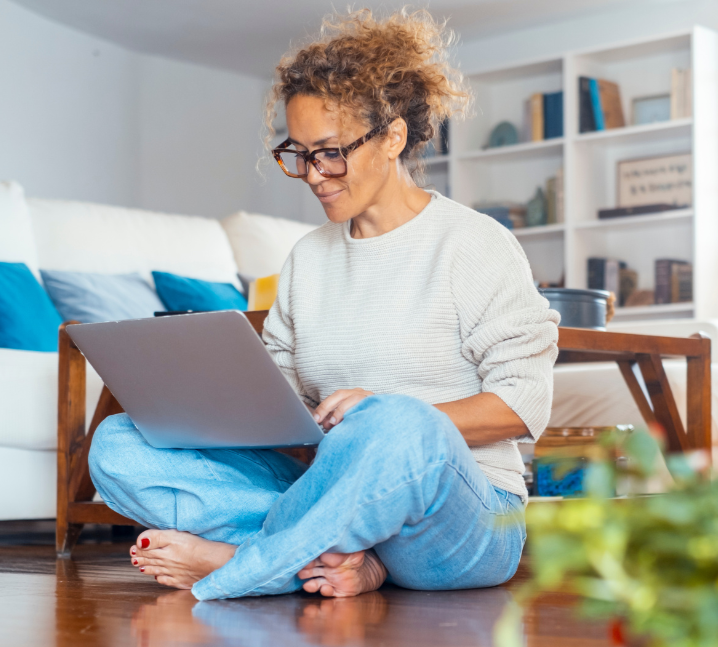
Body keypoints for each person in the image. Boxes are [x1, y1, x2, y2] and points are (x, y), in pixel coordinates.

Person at [88, 7, 560, 601]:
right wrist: (230, 407)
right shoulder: (308, 258)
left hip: (463, 521)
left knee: (398, 422)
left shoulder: (475, 243)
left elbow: (523, 406)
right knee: (119, 442)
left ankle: (243, 568)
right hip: (329, 494)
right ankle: (338, 560)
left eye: (331, 151)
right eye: (300, 154)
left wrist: (379, 417)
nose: (314, 174)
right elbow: (281, 394)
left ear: (393, 137)